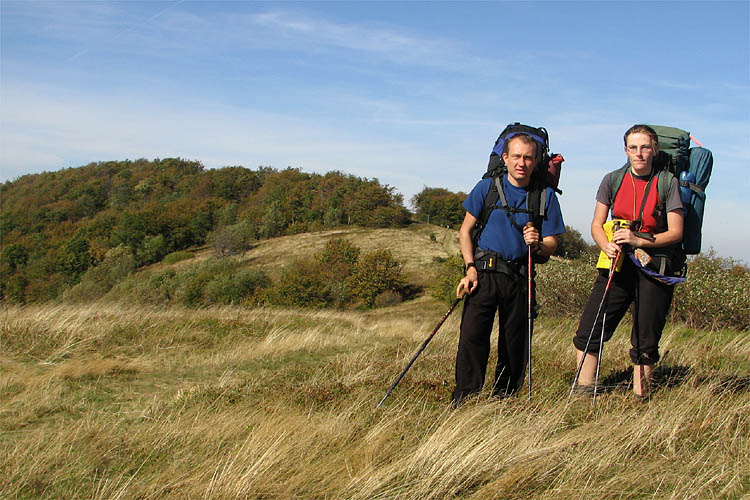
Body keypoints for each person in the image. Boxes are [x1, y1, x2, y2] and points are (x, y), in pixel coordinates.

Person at [572, 124, 684, 400]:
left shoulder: (667, 182)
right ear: (625, 150)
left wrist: (639, 241)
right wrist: (605, 244)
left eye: (645, 147)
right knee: (591, 326)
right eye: (633, 148)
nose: (639, 153)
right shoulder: (613, 180)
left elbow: (676, 231)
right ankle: (584, 391)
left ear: (655, 150)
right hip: (618, 262)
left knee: (646, 336)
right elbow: (597, 224)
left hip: (654, 266)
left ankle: (640, 398)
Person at [453, 133, 565, 406]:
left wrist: (538, 245)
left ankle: (505, 401)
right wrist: (469, 268)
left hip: (520, 277)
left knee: (514, 344)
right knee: (472, 338)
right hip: (483, 274)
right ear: (505, 158)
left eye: (528, 157)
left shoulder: (545, 196)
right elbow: (465, 231)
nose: (521, 163)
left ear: (537, 160)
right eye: (516, 156)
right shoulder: (486, 188)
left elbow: (552, 243)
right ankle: (465, 399)